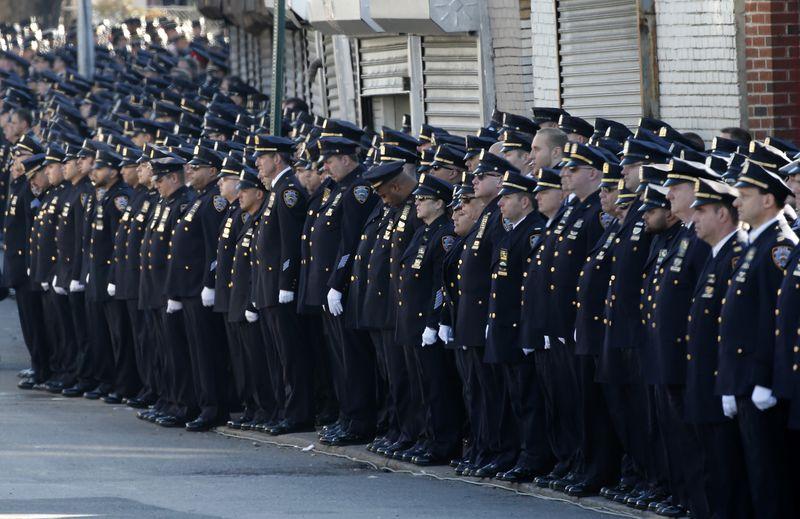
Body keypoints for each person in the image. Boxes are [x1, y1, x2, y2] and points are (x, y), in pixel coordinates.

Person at [717, 162, 798, 518]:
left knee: (770, 478)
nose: (737, 204)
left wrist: (762, 379)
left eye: (745, 196)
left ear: (768, 200)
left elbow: (773, 320)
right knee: (756, 473)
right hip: (745, 378)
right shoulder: (756, 242)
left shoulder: (777, 246)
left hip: (760, 380)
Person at [685, 178, 752, 518]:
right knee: (709, 466)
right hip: (704, 381)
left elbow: (735, 327)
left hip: (720, 383)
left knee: (727, 472)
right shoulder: (716, 254)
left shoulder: (736, 254)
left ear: (723, 215)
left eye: (702, 211)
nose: (694, 218)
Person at [486, 171, 550, 481]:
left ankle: (533, 456)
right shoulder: (512, 232)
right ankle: (517, 453)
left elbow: (530, 287)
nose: (501, 203)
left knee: (529, 398)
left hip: (519, 328)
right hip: (505, 328)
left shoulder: (533, 232)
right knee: (514, 397)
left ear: (525, 201)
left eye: (507, 197)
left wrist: (529, 329)